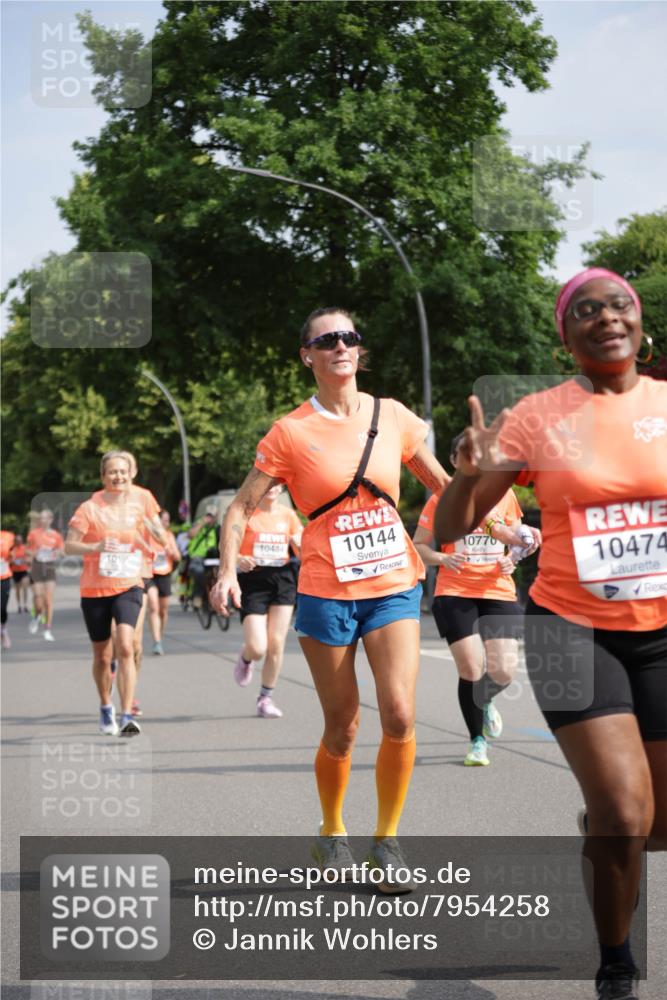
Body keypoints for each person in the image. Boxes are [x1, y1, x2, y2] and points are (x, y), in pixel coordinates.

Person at [434, 268, 666, 1000]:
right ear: (567, 337)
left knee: (654, 825)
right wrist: (466, 475)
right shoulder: (536, 418)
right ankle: (616, 965)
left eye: (619, 305)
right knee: (626, 815)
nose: (606, 317)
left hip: (662, 633)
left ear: (639, 325)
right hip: (573, 631)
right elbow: (453, 527)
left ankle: (601, 821)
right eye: (586, 310)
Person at [212, 307, 449, 891]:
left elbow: (444, 487)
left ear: (358, 350)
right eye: (328, 340)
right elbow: (240, 507)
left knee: (400, 713)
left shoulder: (391, 416)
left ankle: (387, 842)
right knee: (343, 725)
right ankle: (332, 831)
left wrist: (501, 527)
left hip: (392, 584)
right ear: (308, 356)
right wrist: (227, 571)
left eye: (349, 337)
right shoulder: (290, 432)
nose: (341, 345)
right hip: (325, 591)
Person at [414, 432, 539, 766]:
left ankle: (484, 701)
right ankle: (477, 741)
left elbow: (518, 541)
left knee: (504, 671)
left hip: (496, 588)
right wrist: (442, 558)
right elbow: (419, 546)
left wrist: (513, 559)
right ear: (453, 461)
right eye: (465, 454)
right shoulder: (440, 498)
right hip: (455, 590)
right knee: (470, 667)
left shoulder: (504, 495)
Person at [65, 451, 159, 736]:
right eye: (112, 472)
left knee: (126, 646)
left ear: (131, 473)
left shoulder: (140, 503)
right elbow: (69, 546)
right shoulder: (89, 508)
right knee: (103, 657)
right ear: (103, 476)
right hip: (95, 588)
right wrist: (95, 547)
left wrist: (155, 535)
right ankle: (106, 705)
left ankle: (127, 713)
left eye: (123, 471)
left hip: (129, 584)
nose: (118, 476)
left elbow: (156, 534)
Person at [233, 484, 303, 718]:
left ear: (282, 488)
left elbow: (303, 550)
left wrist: (300, 544)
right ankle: (246, 657)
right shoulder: (246, 514)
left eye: (276, 484)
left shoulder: (288, 515)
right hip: (253, 581)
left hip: (283, 579)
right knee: (258, 647)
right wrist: (239, 559)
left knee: (276, 643)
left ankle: (265, 698)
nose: (271, 488)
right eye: (267, 484)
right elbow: (229, 547)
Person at [146, 509, 181, 655]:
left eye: (168, 520)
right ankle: (157, 641)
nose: (167, 523)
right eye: (164, 520)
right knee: (153, 606)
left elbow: (178, 556)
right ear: (157, 521)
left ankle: (159, 636)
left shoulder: (168, 535)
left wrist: (171, 553)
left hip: (164, 574)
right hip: (149, 574)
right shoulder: (147, 535)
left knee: (163, 610)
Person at [26, 509, 64, 641]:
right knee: (38, 598)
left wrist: (57, 552)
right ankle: (37, 615)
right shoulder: (33, 534)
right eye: (41, 518)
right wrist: (34, 553)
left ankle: (47, 629)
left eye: (44, 518)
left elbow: (62, 551)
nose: (42, 520)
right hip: (37, 566)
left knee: (48, 600)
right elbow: (27, 550)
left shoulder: (56, 535)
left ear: (50, 520)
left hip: (49, 567)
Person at [187, 506, 220, 606]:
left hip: (213, 557)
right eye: (208, 516)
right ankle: (198, 595)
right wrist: (202, 524)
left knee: (221, 574)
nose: (210, 518)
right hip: (198, 556)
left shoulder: (218, 528)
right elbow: (190, 535)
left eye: (212, 516)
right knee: (199, 572)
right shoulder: (199, 524)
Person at [1, 528, 15, 649]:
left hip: (4, 577)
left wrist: (11, 556)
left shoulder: (8, 536)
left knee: (2, 608)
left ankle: (3, 630)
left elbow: (12, 555)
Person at [10, 533, 30, 613]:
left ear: (22, 541)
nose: (19, 542)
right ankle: (19, 606)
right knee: (18, 590)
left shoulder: (25, 548)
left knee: (25, 588)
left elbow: (29, 558)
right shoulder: (12, 549)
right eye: (17, 540)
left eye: (20, 540)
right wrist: (13, 561)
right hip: (15, 572)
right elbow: (9, 560)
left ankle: (25, 605)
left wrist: (26, 560)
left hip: (23, 571)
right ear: (15, 541)